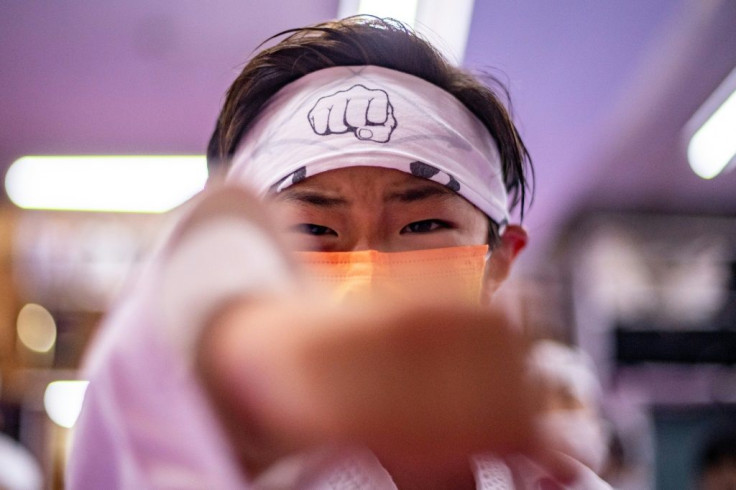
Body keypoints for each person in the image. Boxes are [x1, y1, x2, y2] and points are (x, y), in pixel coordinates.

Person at [67, 16, 610, 489]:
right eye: (311, 230)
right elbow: (137, 386)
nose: (367, 280)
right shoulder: (202, 467)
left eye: (422, 224)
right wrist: (257, 354)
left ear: (500, 261)